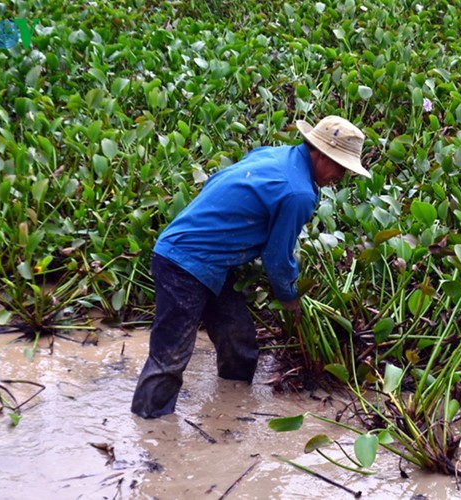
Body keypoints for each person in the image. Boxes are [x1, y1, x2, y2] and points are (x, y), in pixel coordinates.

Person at [131, 116, 372, 418]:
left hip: (214, 263)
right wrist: (289, 297)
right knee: (170, 358)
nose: (341, 177)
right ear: (322, 154)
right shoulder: (300, 193)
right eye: (340, 167)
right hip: (183, 262)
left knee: (239, 340)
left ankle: (232, 412)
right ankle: (150, 433)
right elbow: (277, 256)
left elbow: (219, 183)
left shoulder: (273, 154)